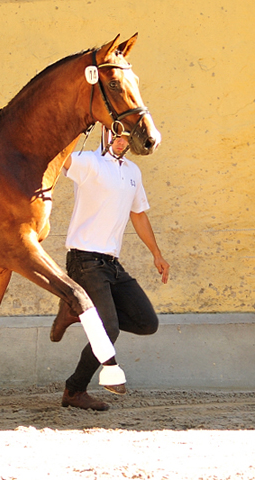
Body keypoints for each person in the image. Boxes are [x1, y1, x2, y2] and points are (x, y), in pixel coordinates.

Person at [51, 130, 170, 411]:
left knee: (146, 323)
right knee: (109, 328)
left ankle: (76, 312)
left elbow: (138, 214)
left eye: (126, 136)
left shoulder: (132, 172)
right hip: (84, 260)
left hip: (112, 265)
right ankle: (74, 390)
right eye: (115, 134)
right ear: (105, 134)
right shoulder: (87, 162)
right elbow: (59, 154)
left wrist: (157, 253)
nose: (120, 140)